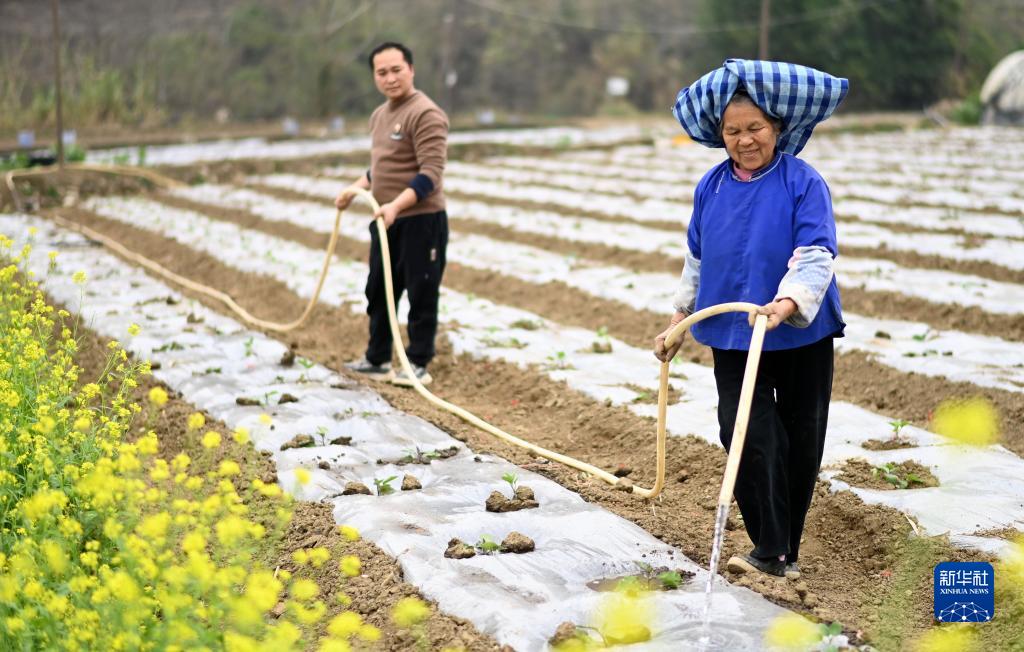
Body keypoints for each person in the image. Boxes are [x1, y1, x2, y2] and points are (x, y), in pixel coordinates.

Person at [654, 60, 849, 580]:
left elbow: (816, 254)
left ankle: (781, 551)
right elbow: (697, 260)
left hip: (799, 331)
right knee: (742, 430)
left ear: (777, 128)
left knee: (800, 437)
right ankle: (771, 544)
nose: (745, 140)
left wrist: (786, 304)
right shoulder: (711, 186)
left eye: (755, 128)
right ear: (719, 135)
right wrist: (678, 320)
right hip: (736, 332)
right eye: (733, 131)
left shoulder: (803, 182)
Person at [335, 42, 449, 387]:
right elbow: (382, 168)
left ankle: (417, 362)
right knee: (379, 289)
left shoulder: (426, 114)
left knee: (421, 291)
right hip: (385, 219)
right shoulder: (379, 116)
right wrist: (353, 190)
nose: (390, 78)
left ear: (411, 69)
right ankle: (378, 357)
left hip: (420, 220)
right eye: (381, 72)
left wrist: (397, 206)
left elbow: (430, 173)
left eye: (396, 70)